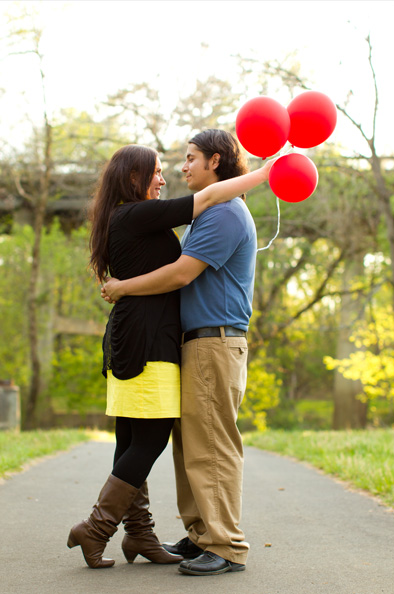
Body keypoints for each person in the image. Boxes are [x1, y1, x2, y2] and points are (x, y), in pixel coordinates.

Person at [70, 144, 271, 570]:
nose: (170, 175)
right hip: (148, 338)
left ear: (214, 161)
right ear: (132, 179)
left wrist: (263, 174)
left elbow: (185, 265)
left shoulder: (163, 214)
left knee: (153, 438)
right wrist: (264, 175)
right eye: (158, 171)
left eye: (185, 161)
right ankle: (112, 529)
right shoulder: (136, 214)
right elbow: (202, 204)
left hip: (154, 336)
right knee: (156, 438)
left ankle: (145, 534)